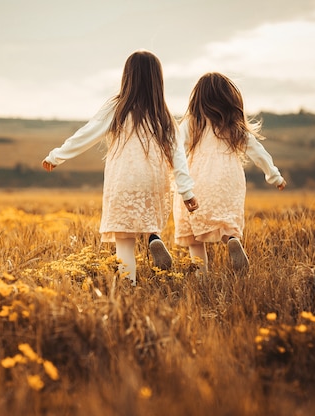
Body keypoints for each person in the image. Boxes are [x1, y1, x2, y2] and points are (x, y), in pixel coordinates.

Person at [42, 50, 199, 286]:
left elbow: (88, 133)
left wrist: (57, 155)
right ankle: (152, 237)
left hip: (124, 179)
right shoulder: (164, 116)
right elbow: (178, 157)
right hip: (154, 182)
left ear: (127, 77)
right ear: (158, 80)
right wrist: (187, 193)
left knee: (124, 237)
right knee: (148, 221)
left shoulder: (118, 107)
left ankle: (129, 284)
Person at [172, 72, 286, 276]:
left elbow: (176, 147)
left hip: (198, 177)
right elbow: (258, 151)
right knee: (226, 222)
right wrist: (274, 175)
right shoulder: (234, 126)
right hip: (228, 179)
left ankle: (201, 276)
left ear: (197, 97)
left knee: (194, 233)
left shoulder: (192, 122)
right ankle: (232, 240)